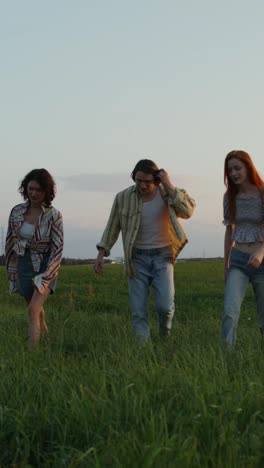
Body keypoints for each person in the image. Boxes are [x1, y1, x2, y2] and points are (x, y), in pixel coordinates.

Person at [95, 159, 195, 341]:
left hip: (163, 256)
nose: (142, 185)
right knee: (138, 310)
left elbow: (187, 212)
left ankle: (165, 334)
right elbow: (112, 226)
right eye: (138, 180)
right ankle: (143, 352)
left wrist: (169, 185)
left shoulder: (168, 192)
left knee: (164, 306)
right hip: (136, 259)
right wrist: (102, 252)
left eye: (147, 181)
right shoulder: (123, 197)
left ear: (156, 180)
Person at [5, 168, 64, 349]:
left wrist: (48, 275)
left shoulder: (54, 215)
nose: (34, 193)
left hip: (46, 264)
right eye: (31, 188)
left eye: (38, 190)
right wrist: (12, 265)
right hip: (23, 262)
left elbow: (58, 247)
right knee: (36, 310)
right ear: (25, 188)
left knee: (32, 309)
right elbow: (10, 239)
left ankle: (32, 351)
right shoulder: (16, 211)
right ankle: (47, 344)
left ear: (47, 191)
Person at [221, 150, 264, 347]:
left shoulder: (262, 194)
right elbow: (230, 231)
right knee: (230, 312)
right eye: (230, 170)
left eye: (237, 168)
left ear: (248, 167)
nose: (234, 173)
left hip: (261, 262)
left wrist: (260, 252)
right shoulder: (229, 197)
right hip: (238, 260)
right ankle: (226, 357)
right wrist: (226, 265)